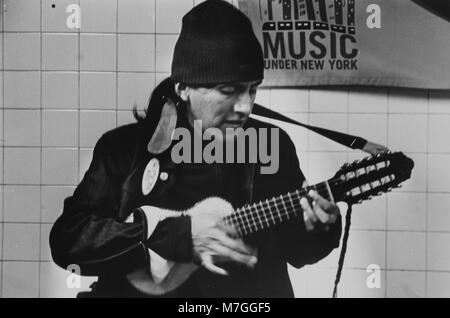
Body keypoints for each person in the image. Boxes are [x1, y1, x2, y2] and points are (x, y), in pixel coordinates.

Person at [50, 0, 341, 298]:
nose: (244, 106)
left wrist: (318, 229)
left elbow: (298, 254)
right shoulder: (125, 148)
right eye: (228, 90)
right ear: (184, 88)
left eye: (252, 88)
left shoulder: (273, 146)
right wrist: (177, 235)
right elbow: (69, 240)